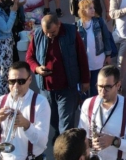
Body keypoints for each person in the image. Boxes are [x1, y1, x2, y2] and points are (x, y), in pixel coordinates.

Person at [26, 14, 91, 142]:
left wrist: (85, 80)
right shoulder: (38, 34)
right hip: (47, 89)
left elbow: (82, 57)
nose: (49, 35)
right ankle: (60, 135)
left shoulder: (71, 33)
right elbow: (29, 57)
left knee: (66, 124)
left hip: (68, 87)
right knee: (51, 118)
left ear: (59, 24)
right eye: (47, 33)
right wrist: (37, 69)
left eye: (52, 32)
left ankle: (66, 147)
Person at [0, 61, 51, 160]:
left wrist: (26, 125)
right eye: (12, 82)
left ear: (29, 80)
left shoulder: (41, 102)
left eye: (21, 81)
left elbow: (43, 143)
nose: (16, 86)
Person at [78, 65, 126, 160]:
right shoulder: (88, 104)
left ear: (118, 85)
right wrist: (90, 142)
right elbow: (81, 137)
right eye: (100, 86)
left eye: (108, 87)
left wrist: (114, 141)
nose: (102, 92)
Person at [77, 0, 115, 97]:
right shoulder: (77, 26)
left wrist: (108, 55)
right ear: (83, 10)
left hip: (98, 60)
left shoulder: (99, 22)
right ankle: (85, 106)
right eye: (90, 8)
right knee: (84, 87)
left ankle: (95, 104)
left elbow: (106, 38)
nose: (93, 10)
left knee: (96, 85)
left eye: (93, 7)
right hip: (84, 62)